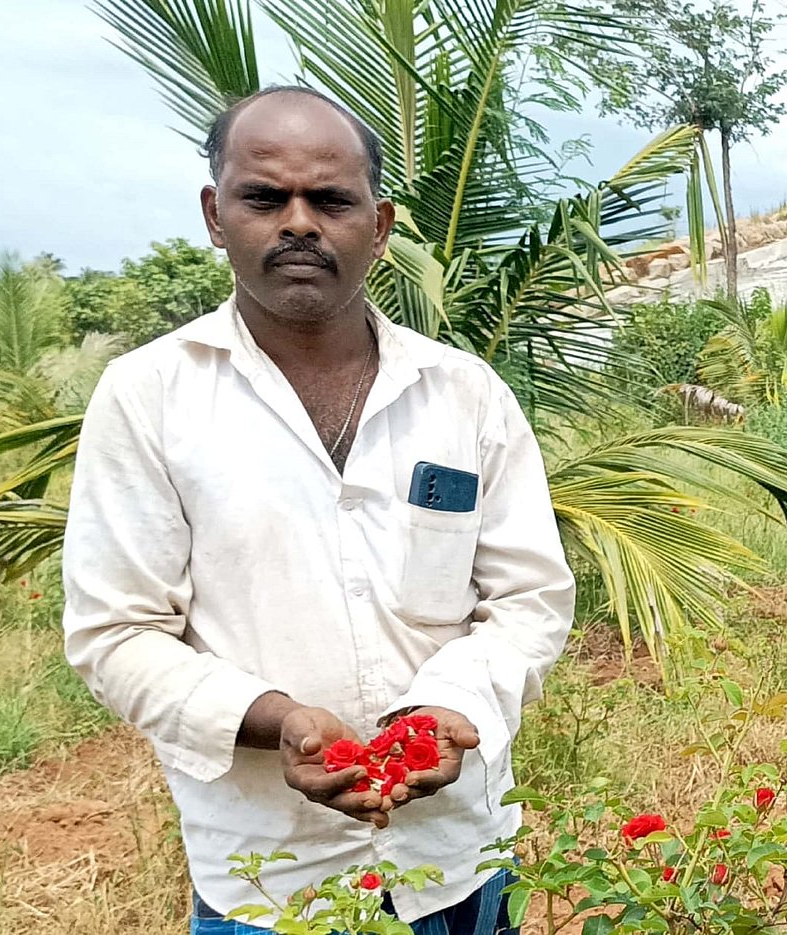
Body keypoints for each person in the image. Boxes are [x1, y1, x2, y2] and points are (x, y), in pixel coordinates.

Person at [62, 86, 575, 934]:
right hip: (270, 880)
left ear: (378, 225)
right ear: (215, 214)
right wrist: (280, 722)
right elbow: (115, 632)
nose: (299, 222)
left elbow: (530, 599)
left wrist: (443, 712)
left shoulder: (463, 395)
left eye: (331, 200)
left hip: (458, 859)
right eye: (264, 197)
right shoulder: (149, 396)